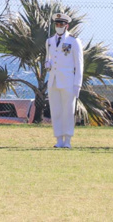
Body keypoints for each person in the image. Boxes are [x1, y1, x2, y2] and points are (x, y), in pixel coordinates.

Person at [45, 13, 83, 149]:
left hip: (68, 80)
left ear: (67, 26)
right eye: (57, 24)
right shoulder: (49, 41)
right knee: (56, 110)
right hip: (54, 80)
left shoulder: (73, 41)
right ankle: (58, 138)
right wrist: (47, 63)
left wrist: (78, 83)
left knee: (68, 110)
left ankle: (67, 139)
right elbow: (47, 57)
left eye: (61, 24)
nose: (59, 27)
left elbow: (79, 64)